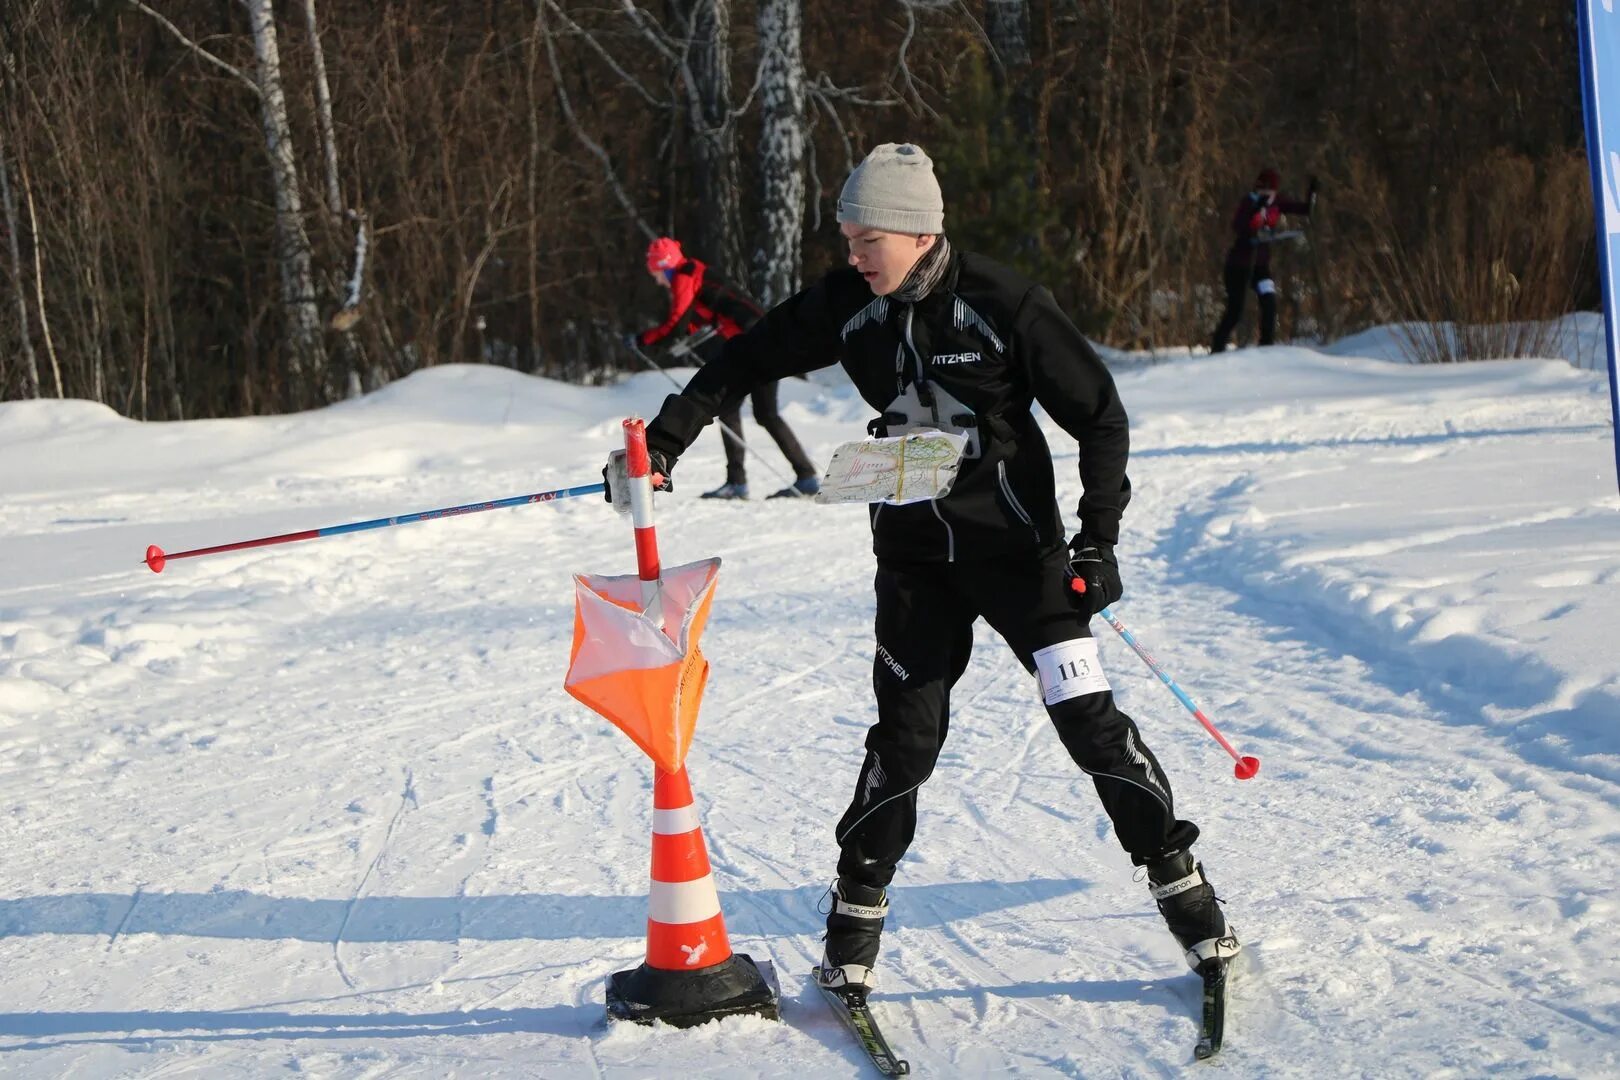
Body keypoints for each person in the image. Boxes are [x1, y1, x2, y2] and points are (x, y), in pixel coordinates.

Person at [613, 143, 1239, 999]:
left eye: (867, 239)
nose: (853, 256)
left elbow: (1101, 417)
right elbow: (742, 360)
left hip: (1022, 558)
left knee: (1087, 721)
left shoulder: (1002, 301)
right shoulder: (848, 304)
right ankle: (852, 924)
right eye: (847, 237)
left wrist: (1099, 541)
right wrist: (668, 441)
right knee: (904, 743)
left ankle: (1187, 895)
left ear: (915, 232)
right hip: (913, 559)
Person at [633, 237, 821, 499]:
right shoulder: (695, 273)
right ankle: (804, 476)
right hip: (765, 338)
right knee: (762, 413)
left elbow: (677, 322)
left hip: (756, 343)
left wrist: (645, 340)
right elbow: (693, 321)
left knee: (734, 410)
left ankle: (741, 482)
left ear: (664, 266)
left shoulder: (683, 276)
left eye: (656, 273)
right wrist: (659, 341)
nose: (657, 280)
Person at [1210, 167, 1318, 353]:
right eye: (1263, 192)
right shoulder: (1249, 202)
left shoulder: (1277, 202)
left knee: (1269, 301)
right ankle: (1218, 347)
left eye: (1270, 193)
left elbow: (1302, 209)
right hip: (1239, 266)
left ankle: (1266, 345)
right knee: (1235, 308)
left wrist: (1311, 194)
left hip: (1260, 266)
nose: (1267, 196)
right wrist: (1256, 210)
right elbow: (1238, 226)